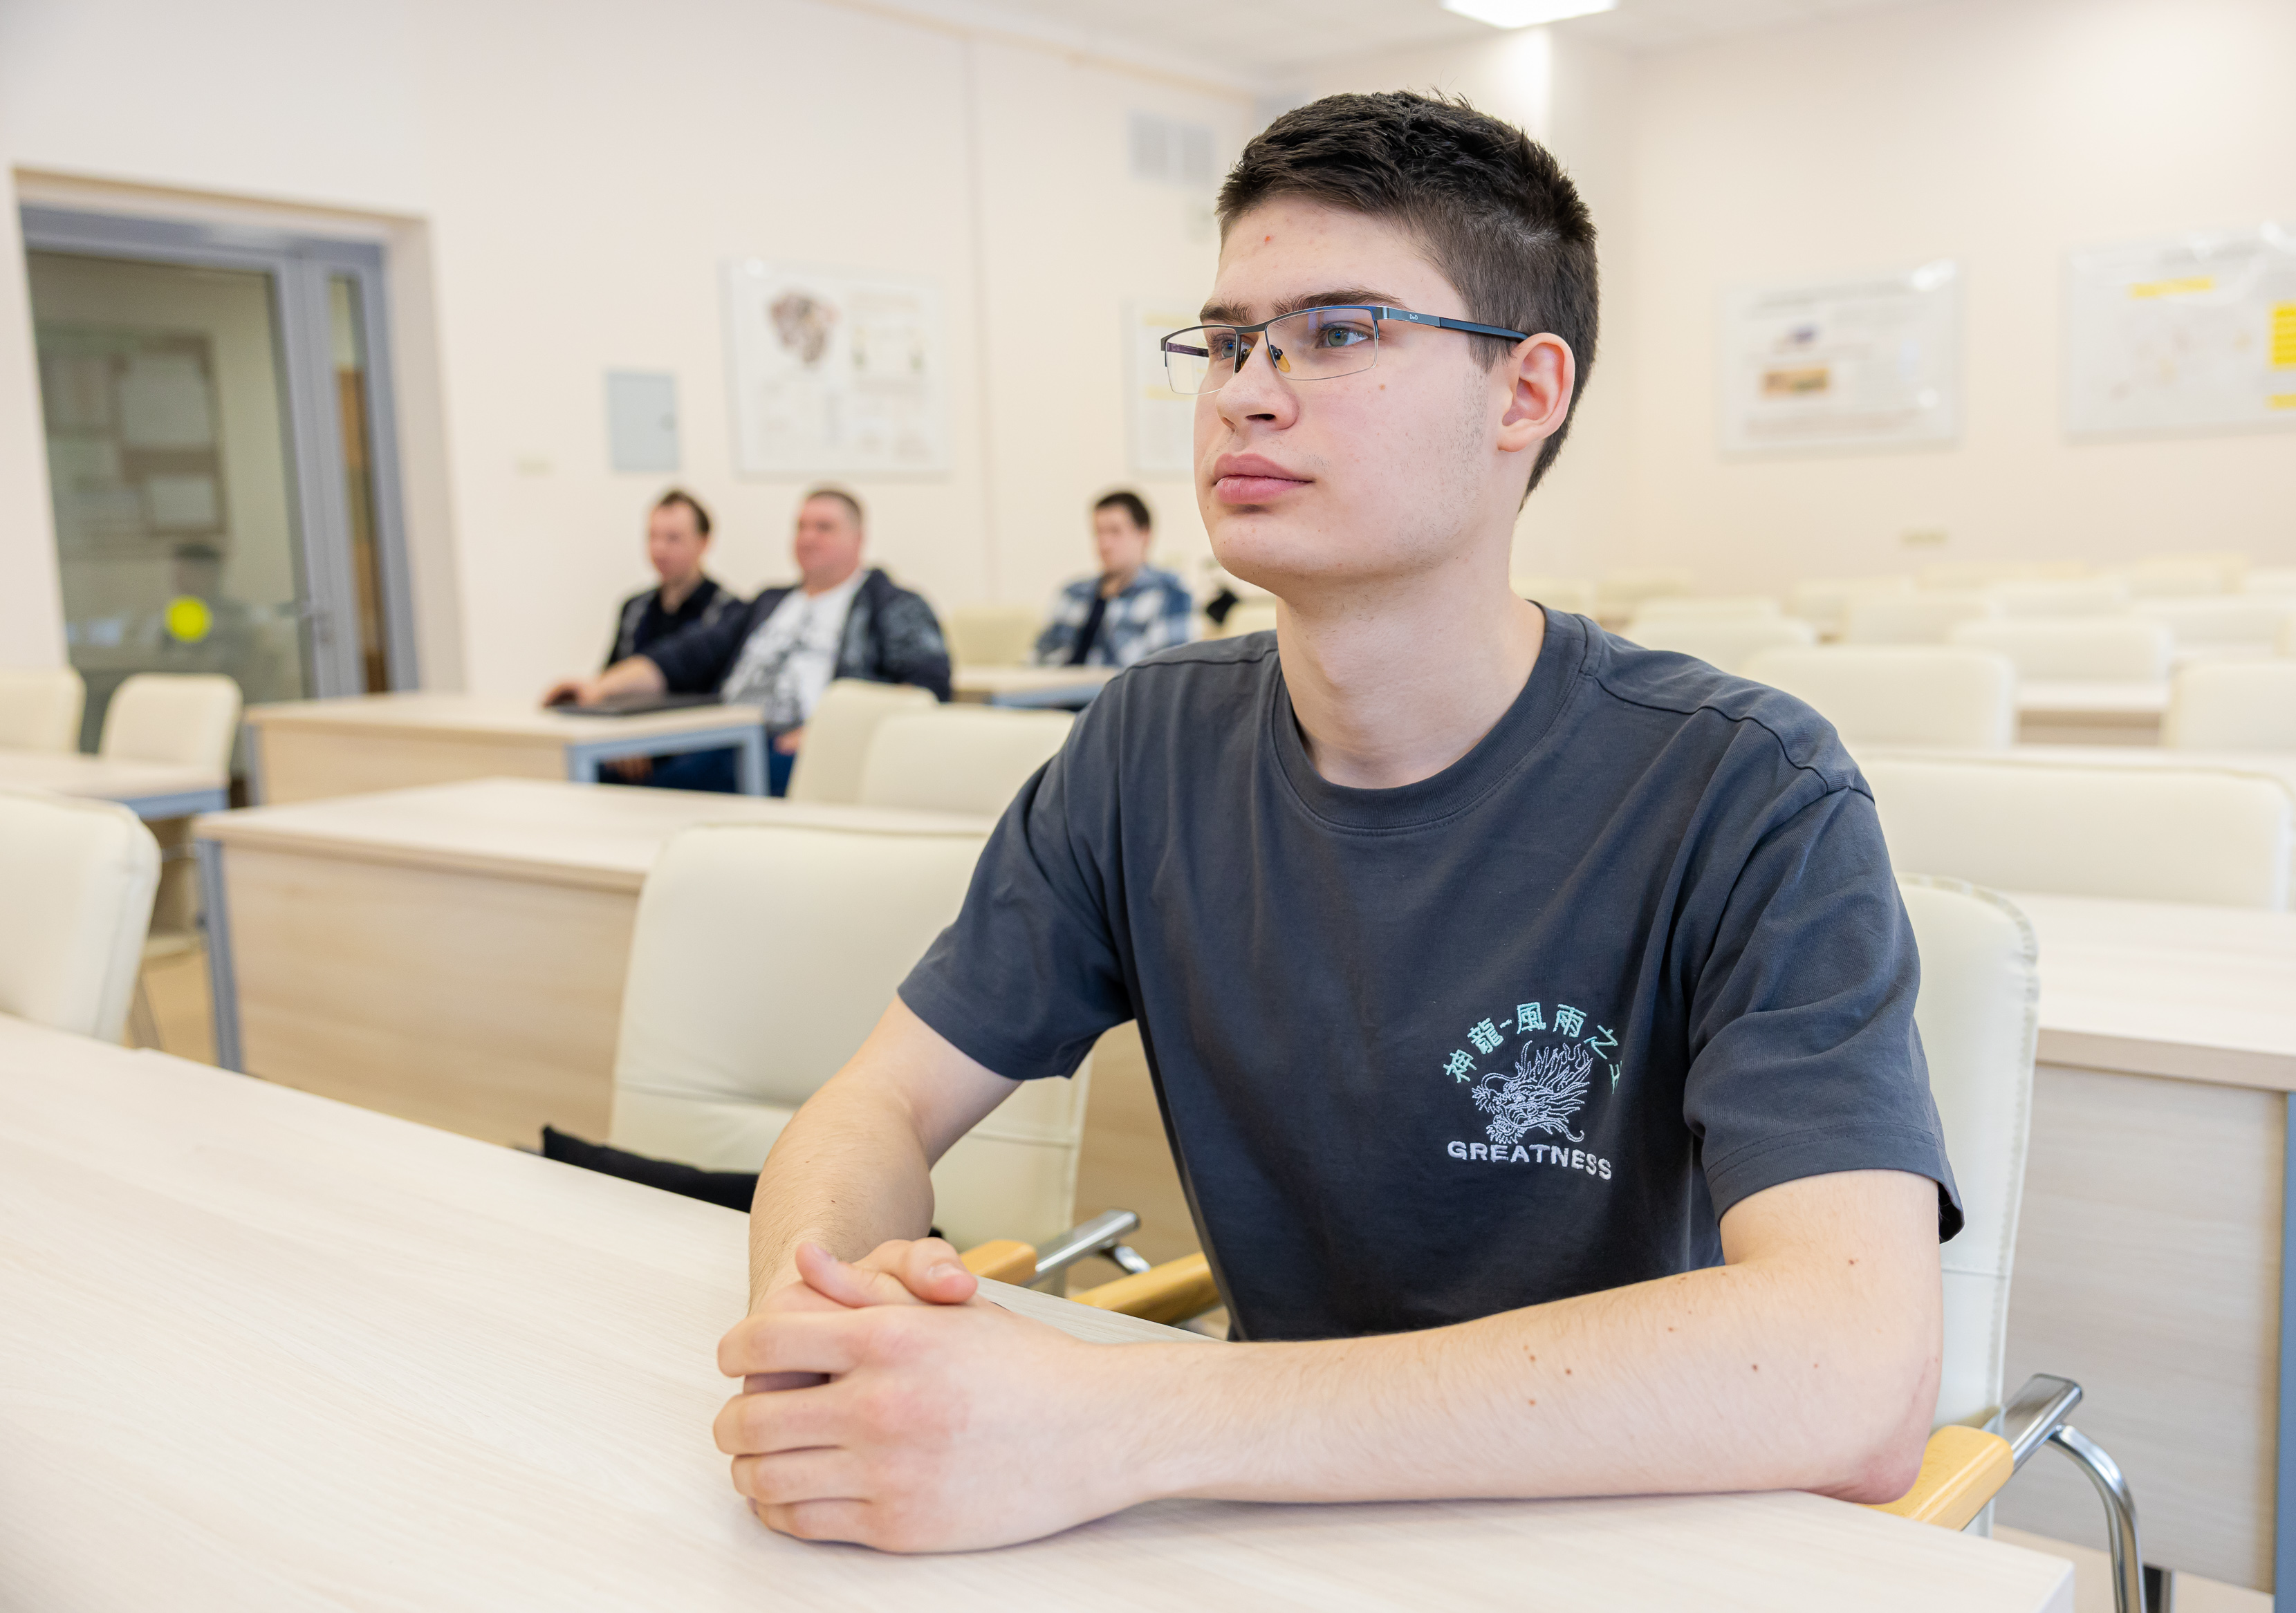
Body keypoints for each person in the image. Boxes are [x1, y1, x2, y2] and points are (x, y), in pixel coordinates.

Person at [714, 93, 1956, 1554]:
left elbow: (1854, 1367)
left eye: (1340, 331)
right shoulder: (1146, 742)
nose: (1248, 391)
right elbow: (875, 1104)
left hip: (1621, 1530)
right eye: (1227, 339)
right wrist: (817, 1313)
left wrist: (1124, 1416)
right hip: (1262, 1526)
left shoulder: (1747, 790)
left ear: (1525, 392)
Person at [546, 487, 950, 795]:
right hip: (730, 738)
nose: (808, 538)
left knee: (669, 791)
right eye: (801, 527)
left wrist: (829, 732)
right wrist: (599, 688)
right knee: (605, 773)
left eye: (824, 528)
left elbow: (927, 688)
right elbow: (682, 656)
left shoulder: (892, 603)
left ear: (859, 539)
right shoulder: (768, 602)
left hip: (802, 749)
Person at [1030, 491, 1195, 668]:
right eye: (1098, 532)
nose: (1104, 544)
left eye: (1115, 532)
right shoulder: (1073, 592)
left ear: (1144, 535)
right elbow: (1036, 658)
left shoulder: (1170, 593)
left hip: (1119, 685)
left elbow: (1168, 670)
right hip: (1058, 684)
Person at [606, 490, 735, 666]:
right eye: (653, 536)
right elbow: (611, 674)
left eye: (673, 538)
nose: (659, 549)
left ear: (703, 542)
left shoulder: (729, 613)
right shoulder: (634, 609)